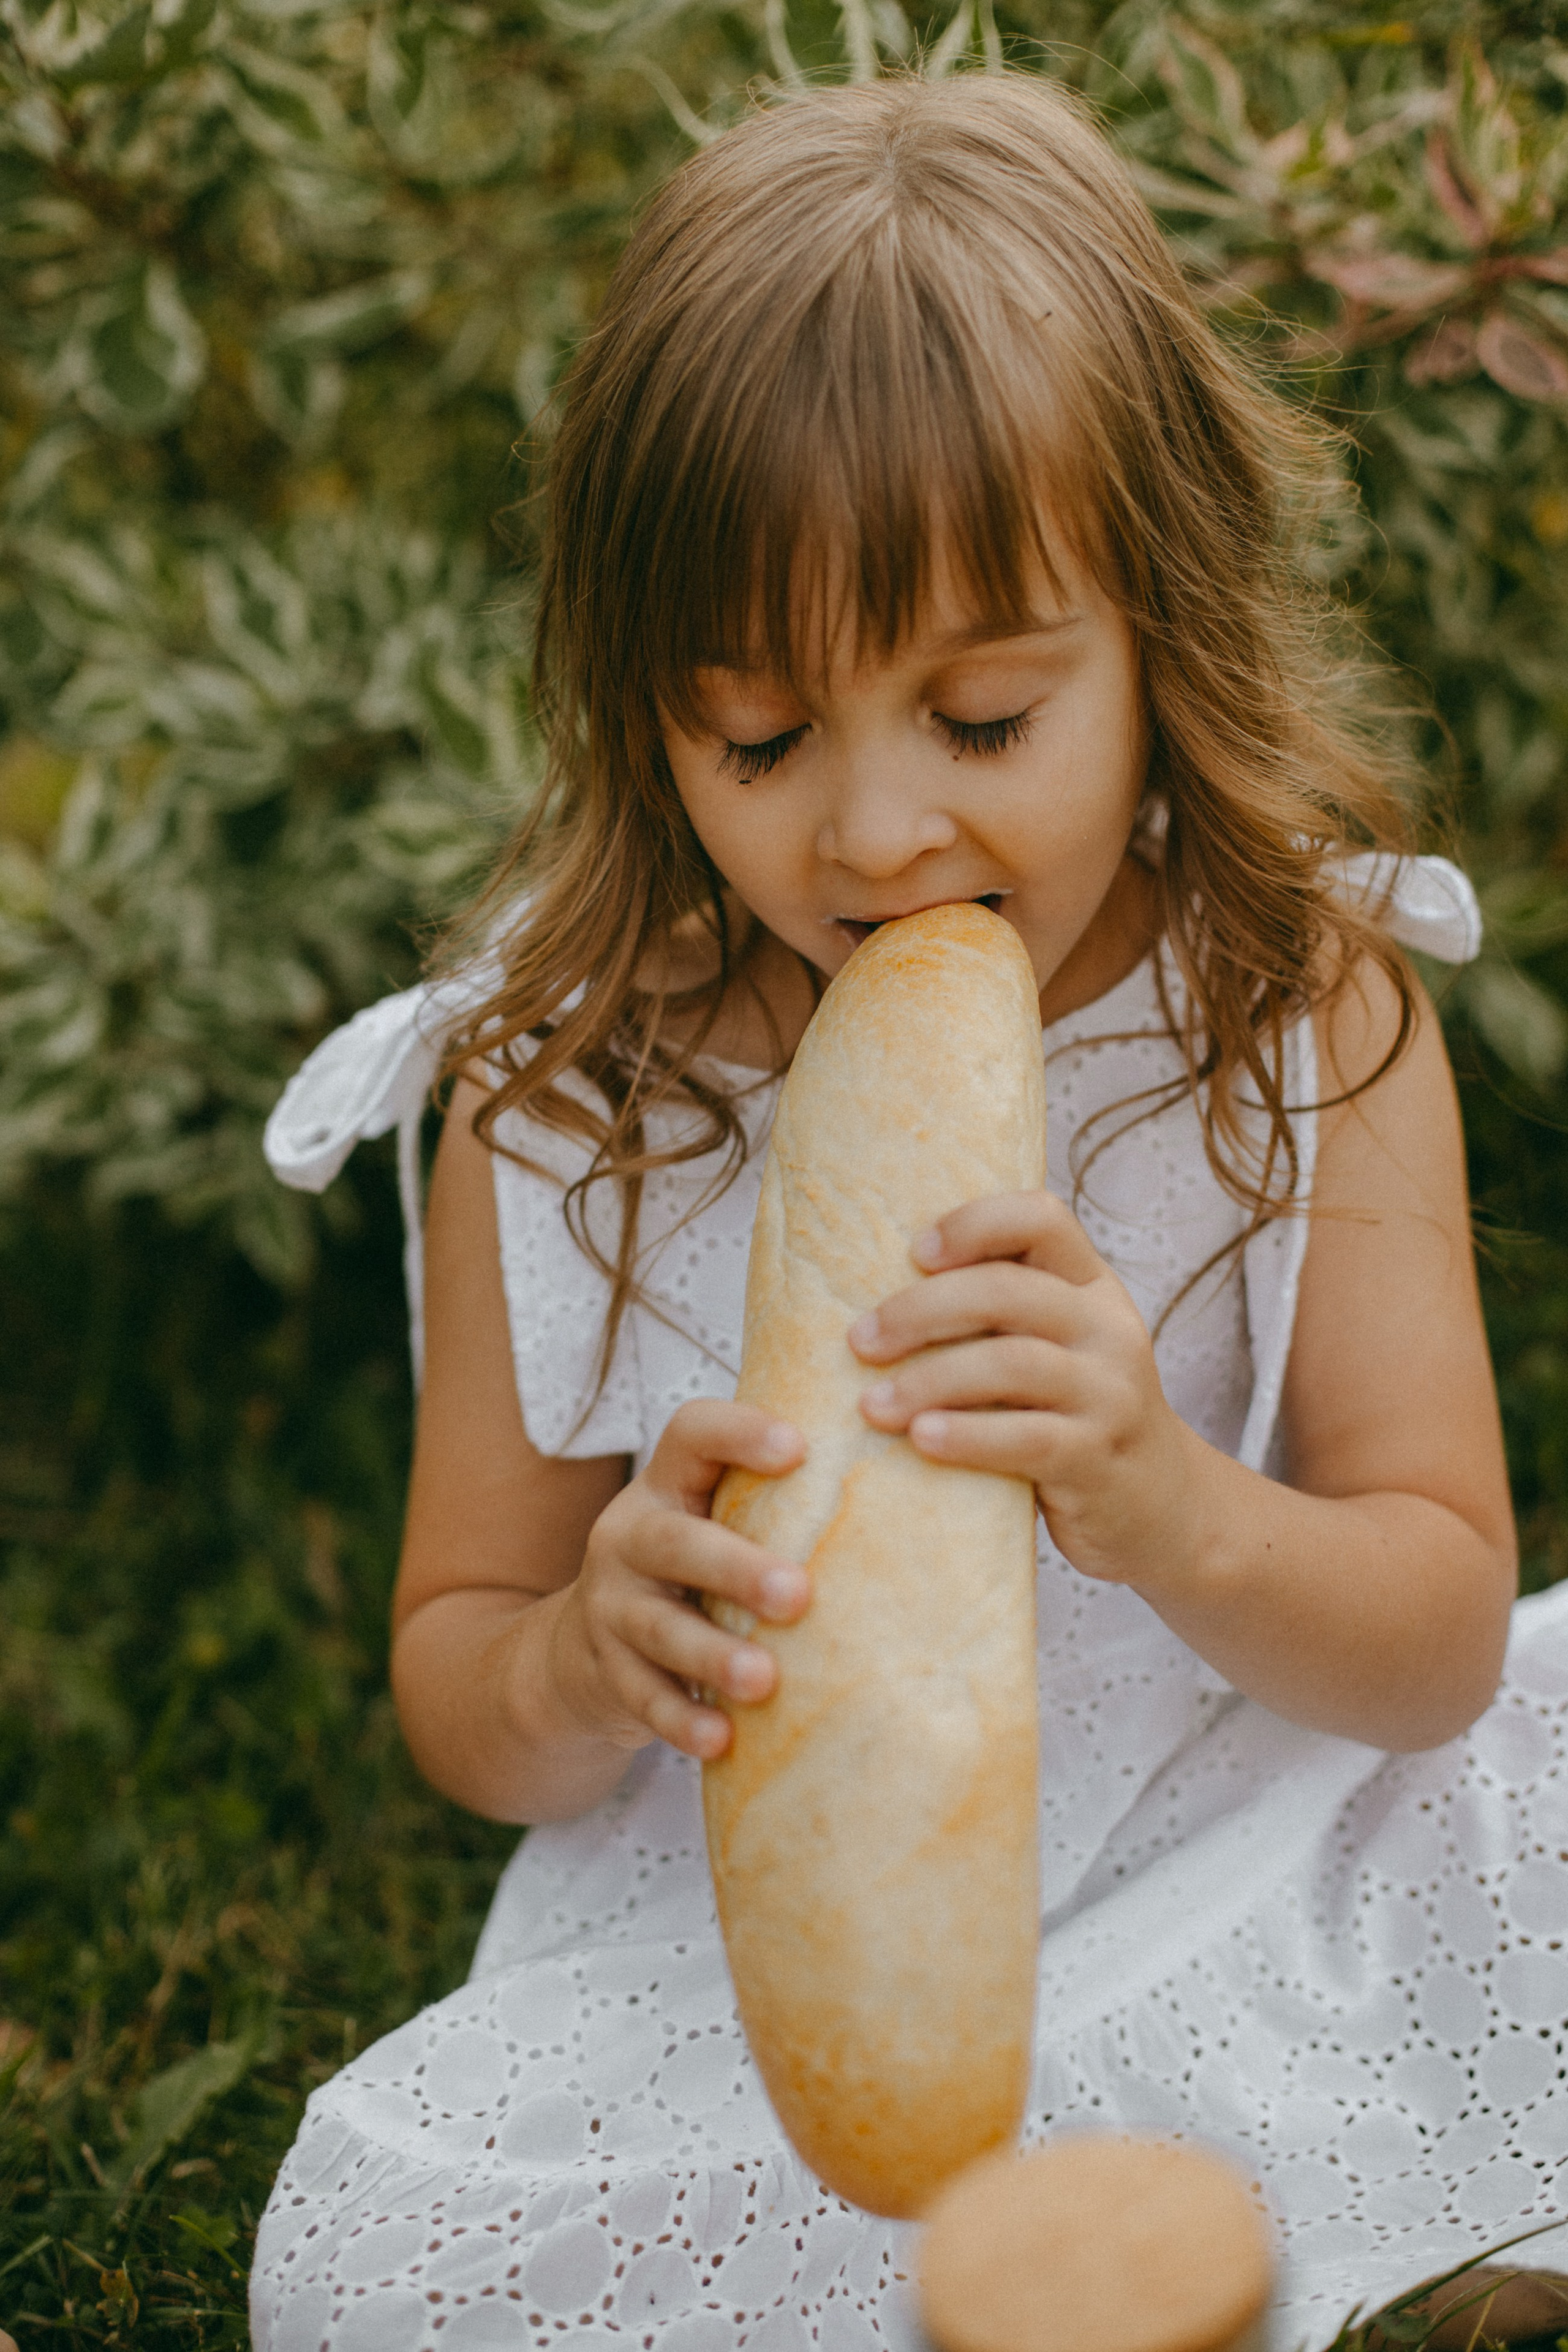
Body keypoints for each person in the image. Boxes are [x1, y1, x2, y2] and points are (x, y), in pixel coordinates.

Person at [251, 72, 1567, 2352]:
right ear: (639, 712)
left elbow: (1440, 1630)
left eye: (981, 715)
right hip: (770, 1991)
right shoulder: (567, 1099)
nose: (870, 834)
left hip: (1270, 1820)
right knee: (371, 2253)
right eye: (757, 741)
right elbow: (462, 1674)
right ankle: (1307, 2236)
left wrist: (1163, 1501)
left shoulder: (1296, 1010)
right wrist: (580, 1651)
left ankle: (1324, 2231)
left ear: (1160, 639)